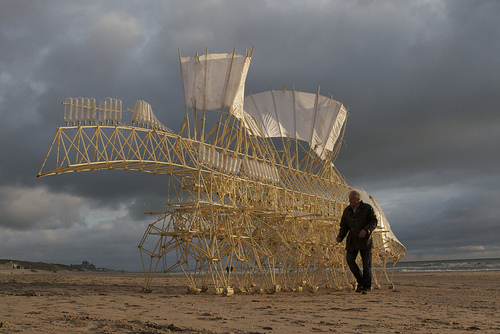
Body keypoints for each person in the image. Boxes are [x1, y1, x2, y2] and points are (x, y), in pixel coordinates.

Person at [336, 190, 378, 294]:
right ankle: (361, 282)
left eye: (351, 199)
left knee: (366, 265)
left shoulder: (368, 208)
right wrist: (340, 237)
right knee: (350, 261)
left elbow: (374, 221)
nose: (349, 200)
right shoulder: (347, 211)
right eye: (349, 198)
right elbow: (344, 226)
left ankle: (366, 287)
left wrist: (366, 230)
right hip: (352, 240)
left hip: (365, 241)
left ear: (358, 200)